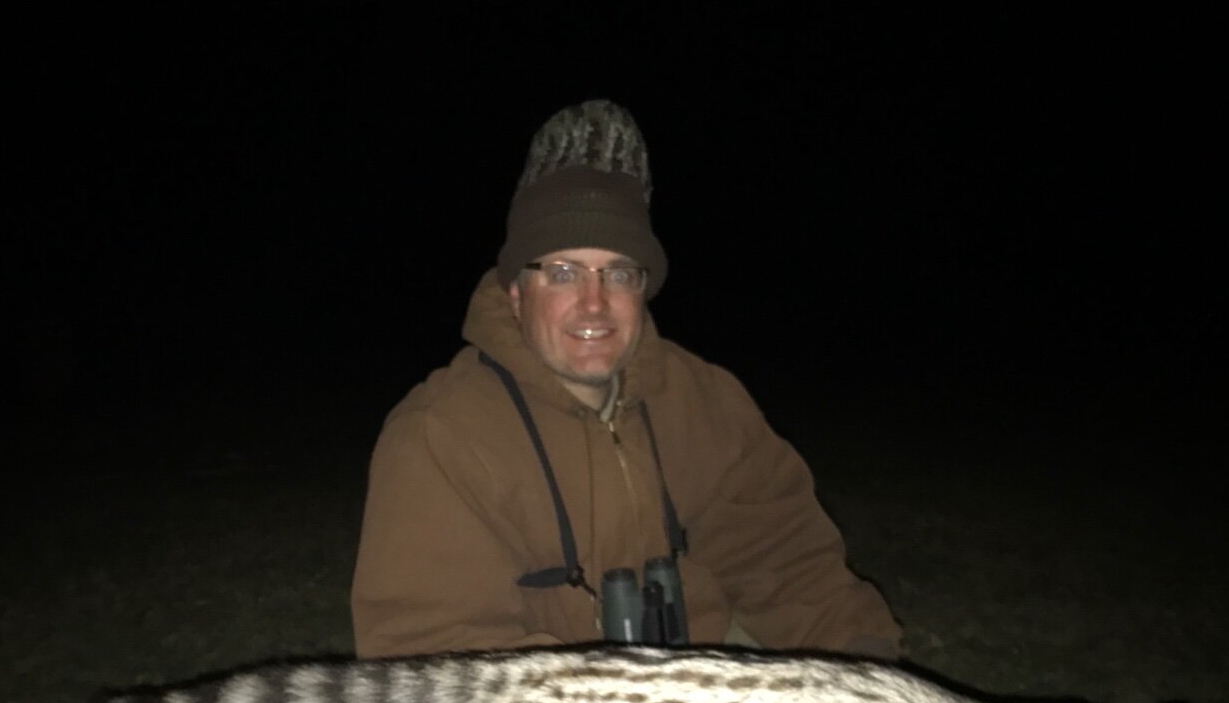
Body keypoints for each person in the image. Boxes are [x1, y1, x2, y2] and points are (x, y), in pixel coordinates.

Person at [352, 100, 900, 660]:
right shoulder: (439, 436)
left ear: (644, 289)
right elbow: (431, 653)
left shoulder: (707, 401)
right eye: (563, 273)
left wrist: (868, 671)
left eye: (617, 273)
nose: (595, 304)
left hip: (709, 688)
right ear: (516, 292)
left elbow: (789, 566)